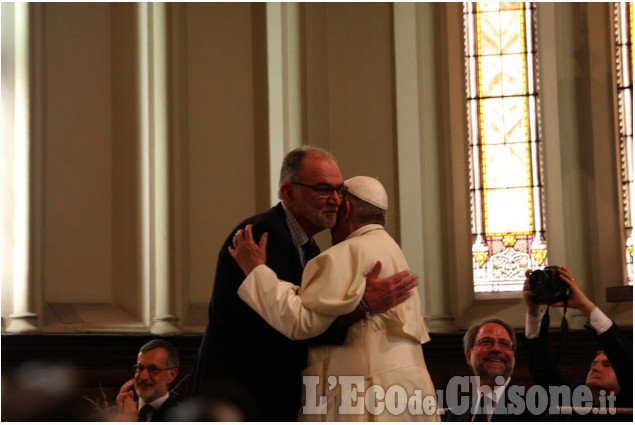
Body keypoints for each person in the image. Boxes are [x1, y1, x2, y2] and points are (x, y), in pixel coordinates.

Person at [187, 146, 418, 421]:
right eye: (323, 189)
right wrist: (362, 306)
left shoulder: (312, 250)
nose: (335, 200)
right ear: (288, 192)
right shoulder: (264, 233)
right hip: (240, 396)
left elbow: (305, 314)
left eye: (339, 190)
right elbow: (289, 323)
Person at [229, 176, 438, 421]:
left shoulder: (344, 254)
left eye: (337, 205)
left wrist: (255, 271)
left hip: (361, 394)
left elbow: (300, 321)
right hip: (410, 392)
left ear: (346, 209)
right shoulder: (393, 250)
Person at [523, 266, 633, 420]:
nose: (595, 367)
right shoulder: (574, 404)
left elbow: (623, 359)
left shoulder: (629, 403)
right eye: (594, 364)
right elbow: (542, 372)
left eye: (607, 365)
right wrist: (533, 312)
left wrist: (584, 305)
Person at [444, 317, 549, 422]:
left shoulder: (537, 408)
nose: (496, 349)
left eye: (504, 344)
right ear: (468, 355)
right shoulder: (454, 416)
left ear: (513, 356)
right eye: (486, 342)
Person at [114, 339, 180, 422]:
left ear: (172, 375)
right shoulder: (111, 416)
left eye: (153, 369)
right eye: (140, 368)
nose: (143, 377)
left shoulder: (186, 418)